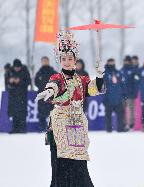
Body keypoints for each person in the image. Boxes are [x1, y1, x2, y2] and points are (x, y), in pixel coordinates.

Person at [35, 31, 105, 187]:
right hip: (60, 126)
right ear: (60, 60)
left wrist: (99, 76)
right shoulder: (57, 78)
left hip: (77, 127)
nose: (67, 62)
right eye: (64, 59)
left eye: (70, 59)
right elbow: (54, 86)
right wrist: (49, 91)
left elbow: (94, 90)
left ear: (75, 60)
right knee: (61, 165)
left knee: (79, 164)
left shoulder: (82, 80)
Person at [7, 59, 31, 133]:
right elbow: (6, 83)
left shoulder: (25, 71)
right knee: (14, 113)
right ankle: (15, 128)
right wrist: (10, 82)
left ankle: (22, 128)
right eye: (15, 67)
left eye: (18, 67)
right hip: (13, 95)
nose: (17, 68)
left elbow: (28, 82)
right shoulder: (10, 72)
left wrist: (19, 81)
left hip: (22, 95)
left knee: (22, 112)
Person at [103, 58, 127, 132]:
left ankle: (120, 129)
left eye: (113, 62)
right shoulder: (104, 74)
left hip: (118, 99)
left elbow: (123, 85)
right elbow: (102, 87)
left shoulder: (118, 73)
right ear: (107, 63)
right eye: (110, 63)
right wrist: (104, 98)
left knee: (120, 116)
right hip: (108, 98)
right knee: (108, 116)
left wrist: (124, 96)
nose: (111, 64)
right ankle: (109, 130)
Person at [35, 56, 57, 132]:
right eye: (43, 61)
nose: (45, 62)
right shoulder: (39, 72)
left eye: (46, 61)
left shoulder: (52, 71)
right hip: (42, 94)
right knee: (41, 112)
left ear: (48, 61)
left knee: (52, 112)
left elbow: (58, 81)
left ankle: (53, 127)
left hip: (51, 95)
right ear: (41, 62)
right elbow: (36, 82)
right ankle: (41, 127)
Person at [121, 55, 137, 129]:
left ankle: (131, 124)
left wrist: (134, 92)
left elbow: (135, 83)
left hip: (130, 94)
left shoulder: (133, 70)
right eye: (125, 60)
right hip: (123, 93)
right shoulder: (121, 70)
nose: (126, 62)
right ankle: (123, 123)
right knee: (122, 109)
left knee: (131, 109)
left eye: (127, 61)